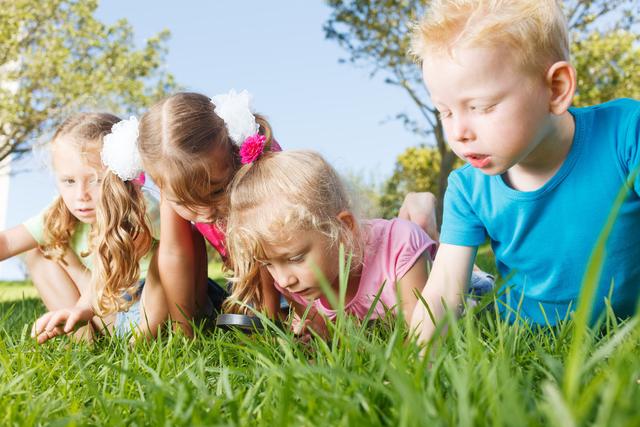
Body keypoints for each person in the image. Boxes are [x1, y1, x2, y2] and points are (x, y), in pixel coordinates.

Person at [408, 0, 640, 344]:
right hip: (527, 334)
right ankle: (479, 283)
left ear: (556, 88)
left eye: (481, 107)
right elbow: (443, 290)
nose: (459, 132)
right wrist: (416, 367)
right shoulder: (467, 188)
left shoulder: (624, 132)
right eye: (445, 112)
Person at [136, 90, 445, 330]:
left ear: (235, 157)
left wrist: (269, 320)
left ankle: (421, 213)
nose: (203, 211)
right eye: (183, 202)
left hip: (292, 268)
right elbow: (177, 255)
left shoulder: (260, 164)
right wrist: (184, 331)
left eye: (215, 192)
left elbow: (278, 252)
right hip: (270, 273)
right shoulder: (177, 172)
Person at [226, 149, 437, 337]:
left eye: (296, 258)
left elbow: (422, 335)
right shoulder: (297, 284)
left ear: (344, 229)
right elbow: (331, 337)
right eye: (268, 263)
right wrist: (317, 336)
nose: (283, 281)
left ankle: (420, 209)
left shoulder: (399, 246)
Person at [16, 113, 171, 342]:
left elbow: (183, 258)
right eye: (69, 181)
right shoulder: (60, 212)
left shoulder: (141, 210)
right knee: (39, 250)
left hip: (150, 309)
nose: (81, 196)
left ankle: (136, 340)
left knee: (163, 258)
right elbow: (7, 242)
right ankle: (82, 337)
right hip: (107, 307)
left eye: (96, 180)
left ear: (121, 174)